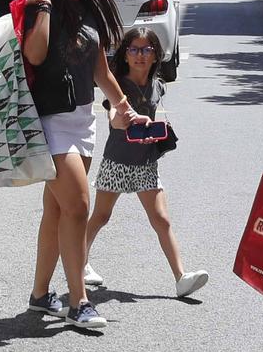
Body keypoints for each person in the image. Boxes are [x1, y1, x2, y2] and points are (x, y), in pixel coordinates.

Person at [14, 0, 145, 332]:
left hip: (82, 120)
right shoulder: (44, 7)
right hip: (50, 121)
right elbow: (35, 56)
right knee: (78, 206)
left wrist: (124, 107)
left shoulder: (90, 12)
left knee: (56, 210)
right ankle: (78, 302)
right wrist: (44, 10)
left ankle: (40, 296)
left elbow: (100, 71)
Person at [84, 28, 207, 298]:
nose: (140, 55)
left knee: (161, 220)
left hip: (146, 163)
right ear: (125, 55)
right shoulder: (119, 85)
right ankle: (80, 261)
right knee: (101, 216)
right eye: (134, 50)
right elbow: (113, 117)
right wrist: (123, 120)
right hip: (118, 161)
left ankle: (181, 277)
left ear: (155, 56)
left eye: (146, 50)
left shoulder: (157, 85)